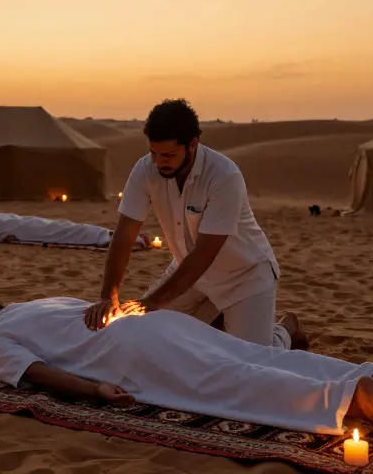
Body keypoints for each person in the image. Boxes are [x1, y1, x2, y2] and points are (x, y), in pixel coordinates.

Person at [0, 292, 373, 437]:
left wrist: (91, 391)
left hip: (131, 354)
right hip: (158, 325)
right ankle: (372, 373)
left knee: (232, 381)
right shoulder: (44, 302)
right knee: (251, 354)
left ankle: (350, 397)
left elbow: (35, 374)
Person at [85, 99, 294, 348]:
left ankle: (286, 330)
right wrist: (109, 295)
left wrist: (153, 302)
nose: (160, 161)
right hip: (187, 272)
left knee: (252, 361)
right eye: (154, 153)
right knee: (145, 331)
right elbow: (125, 233)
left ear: (193, 144)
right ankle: (214, 319)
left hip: (243, 275)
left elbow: (205, 253)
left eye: (169, 155)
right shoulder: (145, 170)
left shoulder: (224, 176)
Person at [0, 212, 152, 249]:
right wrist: (5, 237)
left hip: (32, 224)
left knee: (73, 228)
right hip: (30, 232)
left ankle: (121, 236)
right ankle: (127, 240)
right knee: (75, 232)